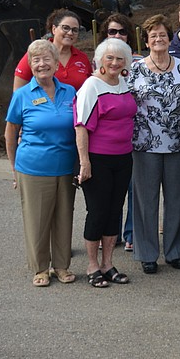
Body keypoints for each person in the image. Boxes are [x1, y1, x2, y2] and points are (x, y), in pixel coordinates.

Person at [5, 40, 77, 287]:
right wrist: (14, 168)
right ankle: (40, 268)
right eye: (35, 60)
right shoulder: (22, 95)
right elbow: (10, 133)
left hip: (66, 167)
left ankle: (61, 266)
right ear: (30, 65)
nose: (41, 64)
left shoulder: (70, 92)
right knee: (37, 220)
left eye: (46, 59)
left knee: (64, 218)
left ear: (57, 64)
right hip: (33, 167)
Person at [127, 15, 180, 274]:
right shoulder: (136, 69)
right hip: (144, 144)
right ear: (146, 40)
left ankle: (175, 251)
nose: (158, 39)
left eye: (162, 35)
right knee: (146, 200)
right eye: (152, 35)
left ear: (170, 38)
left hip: (178, 143)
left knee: (176, 199)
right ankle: (147, 253)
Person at [74, 38, 137, 288]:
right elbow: (80, 127)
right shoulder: (91, 86)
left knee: (114, 211)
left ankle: (108, 264)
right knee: (98, 212)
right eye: (109, 58)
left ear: (126, 62)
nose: (114, 62)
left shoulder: (124, 83)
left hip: (123, 158)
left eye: (119, 58)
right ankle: (92, 265)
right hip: (98, 160)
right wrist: (84, 162)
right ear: (100, 60)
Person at [96, 12, 141, 250]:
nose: (117, 35)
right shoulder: (100, 64)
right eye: (112, 31)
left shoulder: (139, 62)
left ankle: (131, 233)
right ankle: (107, 233)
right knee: (109, 192)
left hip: (134, 135)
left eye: (121, 31)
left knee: (133, 187)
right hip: (107, 141)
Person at [14, 9, 91, 91]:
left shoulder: (82, 58)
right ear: (54, 29)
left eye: (75, 30)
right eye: (65, 28)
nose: (70, 33)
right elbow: (18, 92)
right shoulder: (36, 54)